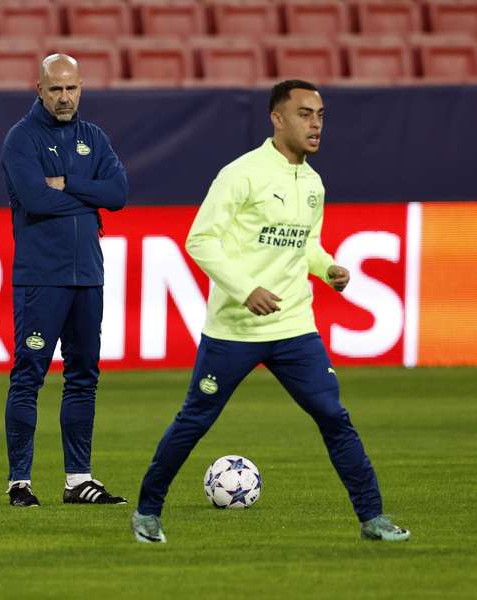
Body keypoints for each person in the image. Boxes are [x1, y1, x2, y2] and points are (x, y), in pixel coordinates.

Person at [131, 80, 410, 544]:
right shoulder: (240, 174)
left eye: (320, 114)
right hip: (236, 328)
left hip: (294, 326)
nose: (315, 123)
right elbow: (200, 240)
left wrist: (328, 268)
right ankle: (147, 511)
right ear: (277, 119)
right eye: (304, 114)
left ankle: (373, 518)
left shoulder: (314, 183)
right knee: (195, 419)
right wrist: (245, 290)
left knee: (334, 417)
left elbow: (306, 246)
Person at [0, 54, 129, 507]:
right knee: (28, 376)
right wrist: (87, 194)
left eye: (71, 88)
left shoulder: (93, 137)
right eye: (55, 89)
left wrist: (66, 183)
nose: (64, 97)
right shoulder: (21, 139)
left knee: (83, 378)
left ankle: (78, 480)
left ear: (81, 88)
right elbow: (34, 200)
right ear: (39, 89)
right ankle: (20, 482)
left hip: (88, 277)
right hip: (41, 277)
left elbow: (119, 194)